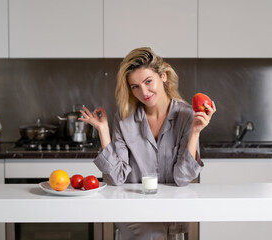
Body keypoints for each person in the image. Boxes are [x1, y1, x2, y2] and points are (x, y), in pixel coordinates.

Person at [79, 47, 216, 240]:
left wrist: (195, 132)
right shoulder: (124, 119)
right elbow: (117, 177)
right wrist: (103, 131)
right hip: (135, 213)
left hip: (173, 215)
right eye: (135, 86)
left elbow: (182, 178)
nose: (143, 92)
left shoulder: (187, 116)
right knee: (153, 234)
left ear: (164, 76)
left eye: (148, 81)